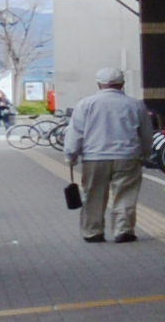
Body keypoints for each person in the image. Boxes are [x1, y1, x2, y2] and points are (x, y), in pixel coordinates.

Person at [64, 67, 151, 243]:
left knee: (94, 195)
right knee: (125, 194)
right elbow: (146, 133)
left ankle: (93, 232)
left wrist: (71, 155)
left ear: (99, 84)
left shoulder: (85, 104)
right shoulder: (135, 105)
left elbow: (75, 132)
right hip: (127, 156)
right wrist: (145, 153)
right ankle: (123, 230)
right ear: (122, 84)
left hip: (94, 157)